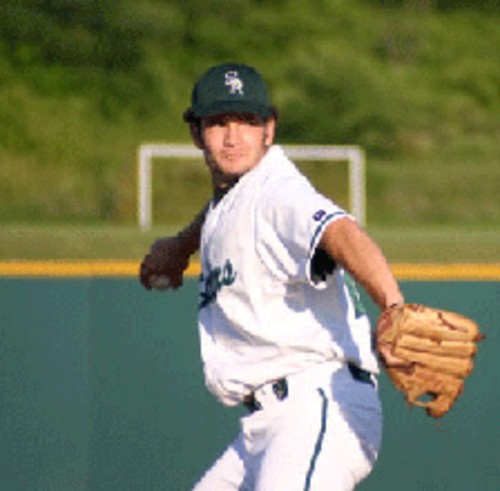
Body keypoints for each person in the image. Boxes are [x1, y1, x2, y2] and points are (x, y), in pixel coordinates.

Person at [140, 62, 404, 490]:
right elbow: (220, 212)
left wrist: (393, 306)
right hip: (266, 428)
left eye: (247, 121)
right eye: (218, 122)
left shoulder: (279, 192)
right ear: (196, 133)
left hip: (317, 406)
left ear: (269, 128)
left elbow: (343, 233)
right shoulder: (239, 196)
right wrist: (181, 246)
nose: (233, 136)